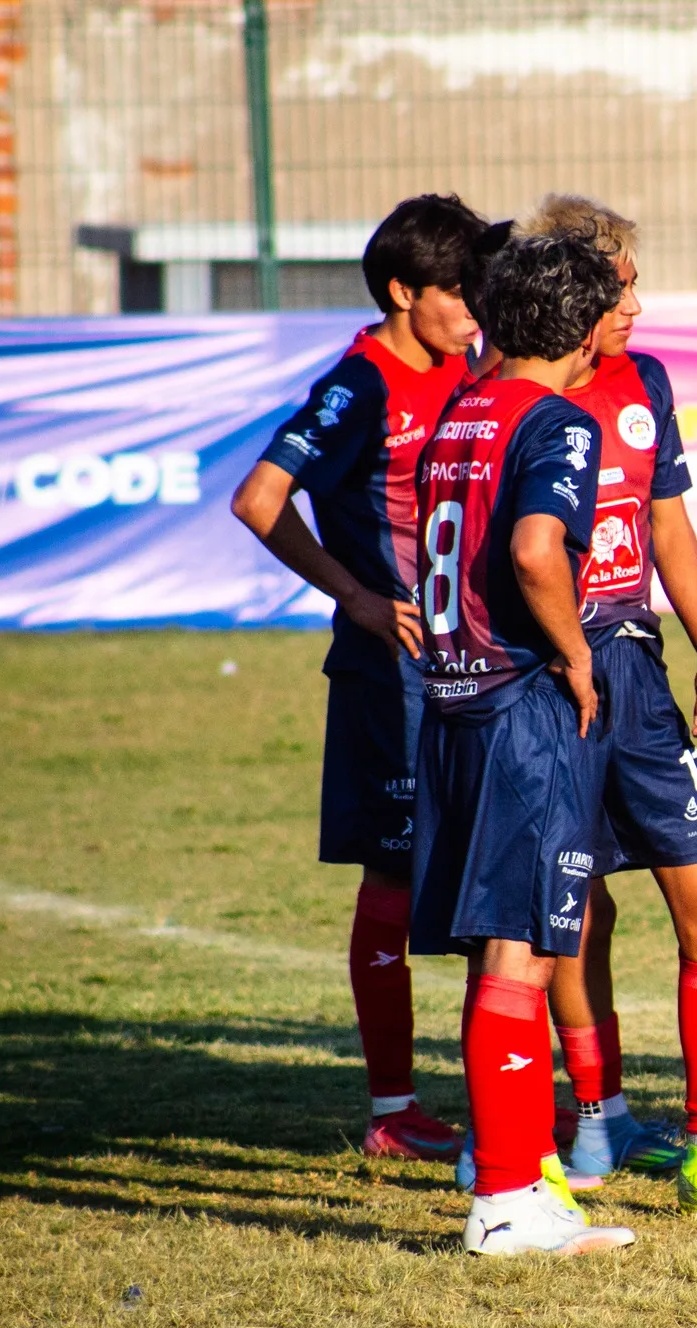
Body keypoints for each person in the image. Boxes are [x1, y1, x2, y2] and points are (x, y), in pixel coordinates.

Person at [517, 195, 697, 1224]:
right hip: (545, 676)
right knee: (574, 914)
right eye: (619, 289)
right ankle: (596, 1117)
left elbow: (666, 520)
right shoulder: (508, 395)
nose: (636, 307)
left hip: (634, 671)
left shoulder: (648, 382)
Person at [229, 193, 486, 1161]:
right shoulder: (358, 386)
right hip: (394, 672)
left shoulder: (466, 364)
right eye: (457, 290)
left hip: (475, 660)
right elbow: (258, 500)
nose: (473, 307)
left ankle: (505, 1104)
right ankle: (392, 1110)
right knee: (396, 870)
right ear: (402, 292)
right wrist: (359, 597)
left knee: (484, 863)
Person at [407, 231, 637, 1256]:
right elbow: (538, 550)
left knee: (505, 946)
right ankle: (505, 1201)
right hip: (521, 707)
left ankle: (512, 1178)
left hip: (453, 701)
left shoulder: (462, 411)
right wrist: (576, 657)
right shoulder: (558, 421)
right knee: (524, 950)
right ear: (586, 335)